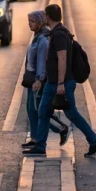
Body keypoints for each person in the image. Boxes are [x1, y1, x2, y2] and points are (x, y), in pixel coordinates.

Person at [24, 4, 96, 158]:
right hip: (55, 82)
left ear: (47, 17)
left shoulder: (59, 35)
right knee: (44, 111)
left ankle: (94, 141)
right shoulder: (59, 32)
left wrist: (60, 83)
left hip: (60, 82)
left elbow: (62, 58)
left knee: (70, 114)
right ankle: (40, 146)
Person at [22, 10, 69, 150]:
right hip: (31, 79)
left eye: (32, 21)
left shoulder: (42, 39)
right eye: (29, 21)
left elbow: (42, 62)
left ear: (40, 22)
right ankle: (35, 138)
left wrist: (39, 80)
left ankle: (61, 128)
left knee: (39, 110)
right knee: (31, 109)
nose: (29, 24)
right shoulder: (36, 36)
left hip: (38, 80)